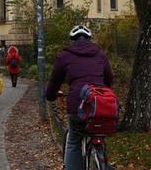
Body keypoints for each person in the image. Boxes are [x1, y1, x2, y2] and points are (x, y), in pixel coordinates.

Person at [45, 25, 113, 170]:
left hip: (77, 106)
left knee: (74, 140)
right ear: (89, 39)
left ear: (72, 41)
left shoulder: (64, 56)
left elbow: (54, 81)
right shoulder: (100, 54)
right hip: (99, 105)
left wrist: (50, 96)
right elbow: (109, 79)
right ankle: (101, 158)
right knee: (98, 131)